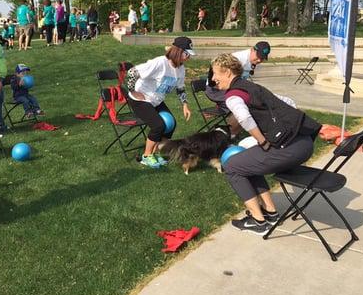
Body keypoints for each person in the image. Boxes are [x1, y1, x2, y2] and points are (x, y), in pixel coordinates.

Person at [210, 53, 321, 235]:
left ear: (228, 73)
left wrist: (262, 141)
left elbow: (244, 118)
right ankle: (270, 212)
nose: (213, 79)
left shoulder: (233, 95)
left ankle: (258, 221)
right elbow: (288, 101)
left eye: (216, 74)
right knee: (247, 162)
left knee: (231, 166)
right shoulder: (252, 87)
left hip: (289, 150)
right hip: (305, 143)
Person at [126, 36, 194, 168]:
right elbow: (132, 72)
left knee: (171, 124)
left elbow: (180, 88)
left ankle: (155, 152)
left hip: (156, 101)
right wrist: (133, 91)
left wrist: (185, 105)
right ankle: (146, 156)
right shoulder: (159, 63)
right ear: (178, 51)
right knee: (158, 126)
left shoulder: (181, 69)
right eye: (187, 54)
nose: (188, 57)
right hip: (141, 100)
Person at [205, 41, 271, 134]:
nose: (259, 60)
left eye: (262, 58)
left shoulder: (252, 61)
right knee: (244, 104)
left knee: (252, 100)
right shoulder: (238, 58)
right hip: (215, 89)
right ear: (252, 49)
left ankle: (233, 130)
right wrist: (214, 84)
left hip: (229, 89)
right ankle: (229, 133)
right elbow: (214, 67)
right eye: (258, 56)